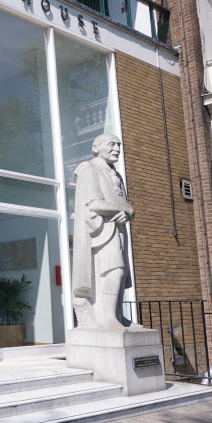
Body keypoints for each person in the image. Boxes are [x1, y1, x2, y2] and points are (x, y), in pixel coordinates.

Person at [71, 133, 135, 328]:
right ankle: (108, 319)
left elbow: (126, 205)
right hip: (102, 231)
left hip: (118, 229)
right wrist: (124, 210)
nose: (117, 149)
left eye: (119, 145)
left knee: (122, 273)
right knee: (114, 271)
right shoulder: (89, 170)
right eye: (112, 144)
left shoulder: (117, 175)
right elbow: (94, 203)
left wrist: (128, 214)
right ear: (95, 148)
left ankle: (118, 316)